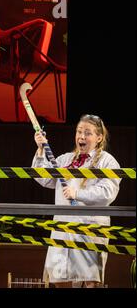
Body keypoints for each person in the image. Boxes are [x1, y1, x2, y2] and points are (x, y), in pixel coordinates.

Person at [32, 114, 121, 288]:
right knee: (59, 279)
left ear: (99, 137)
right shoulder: (65, 160)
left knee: (90, 281)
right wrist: (41, 149)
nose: (81, 136)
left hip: (89, 229)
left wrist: (77, 193)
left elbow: (108, 192)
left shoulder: (108, 161)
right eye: (79, 132)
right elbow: (44, 178)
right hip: (62, 227)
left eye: (87, 133)